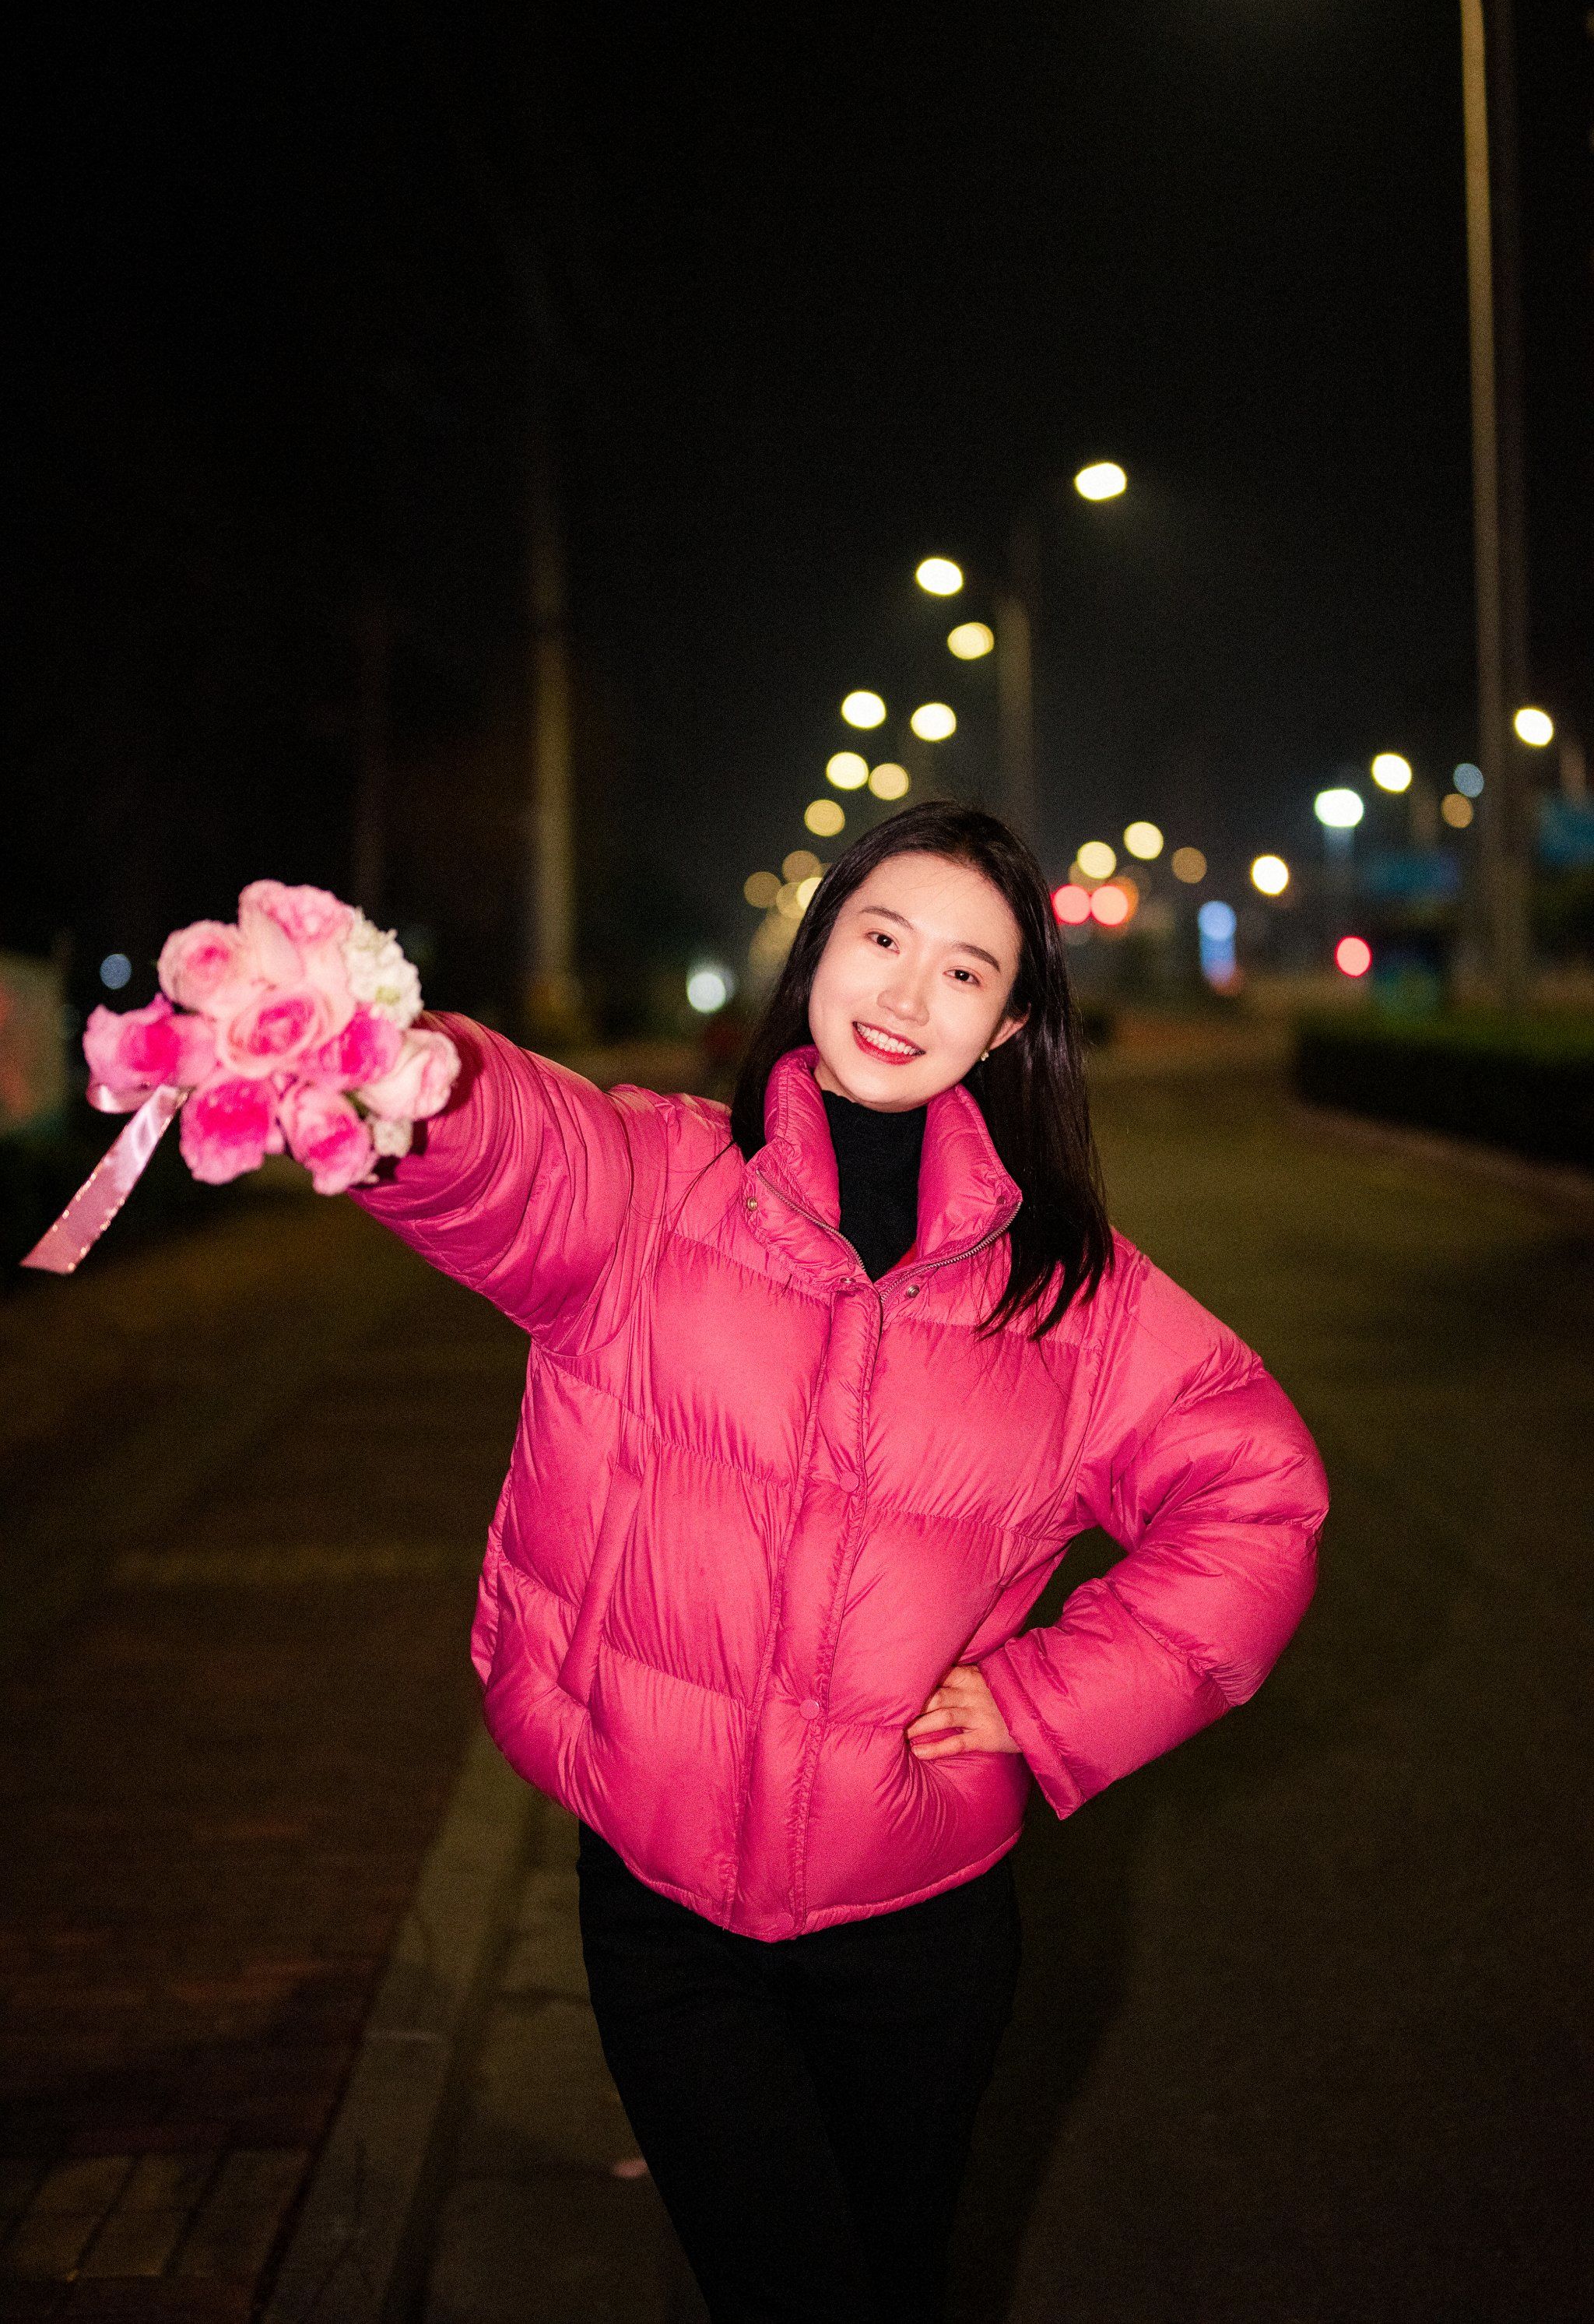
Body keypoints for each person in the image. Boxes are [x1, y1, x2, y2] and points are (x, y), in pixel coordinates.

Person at [350, 800, 1329, 2324]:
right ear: (818, 949)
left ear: (1011, 1025)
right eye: (882, 937)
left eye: (964, 971)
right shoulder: (654, 1180)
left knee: (894, 2283)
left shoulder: (1070, 1297)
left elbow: (1257, 1495)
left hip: (921, 1930)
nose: (905, 993)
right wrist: (371, 1071)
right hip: (665, 1916)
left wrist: (1045, 1698)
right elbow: (503, 1144)